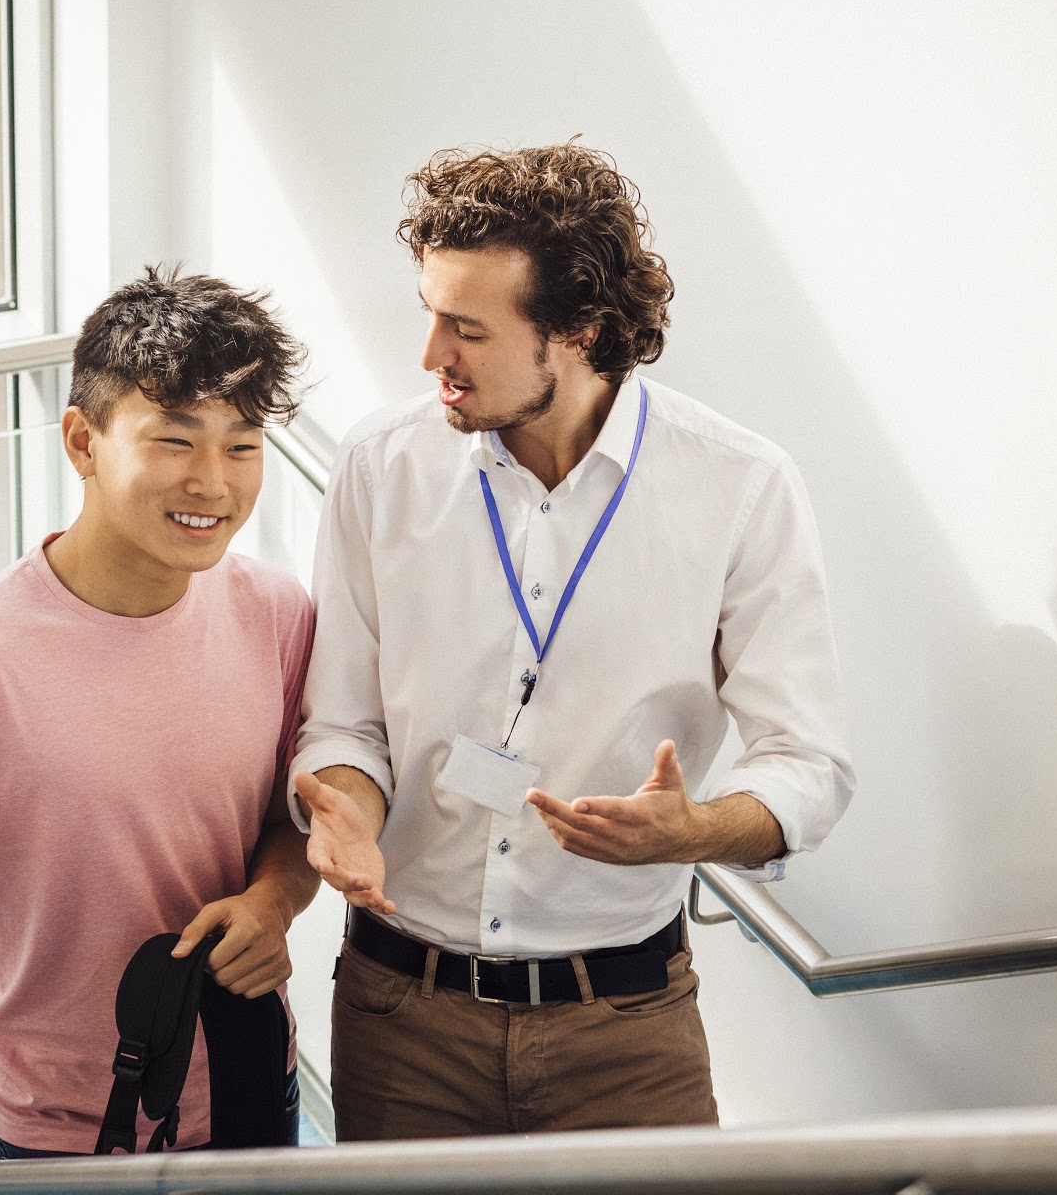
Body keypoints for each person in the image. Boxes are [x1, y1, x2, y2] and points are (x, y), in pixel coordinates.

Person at [290, 143, 855, 1140]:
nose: (430, 359)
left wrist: (695, 832)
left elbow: (806, 762)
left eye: (465, 329)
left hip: (625, 1027)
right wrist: (345, 810)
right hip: (400, 1013)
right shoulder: (380, 468)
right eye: (428, 314)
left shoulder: (740, 486)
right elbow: (345, 720)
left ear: (578, 334)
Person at [0, 267, 319, 1194]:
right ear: (82, 443)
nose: (212, 484)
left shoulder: (278, 611)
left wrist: (274, 901)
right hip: (64, 1124)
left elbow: (294, 817)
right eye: (174, 439)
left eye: (242, 445)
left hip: (252, 1075)